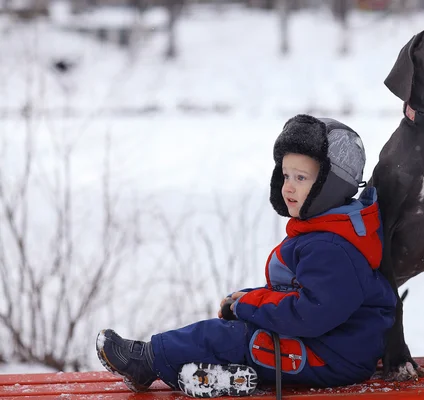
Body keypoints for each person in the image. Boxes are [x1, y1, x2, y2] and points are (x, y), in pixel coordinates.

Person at [96, 114, 397, 398]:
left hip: (331, 355)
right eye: (285, 175)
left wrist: (248, 305)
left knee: (233, 338)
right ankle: (221, 375)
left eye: (301, 178)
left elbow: (310, 314)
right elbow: (296, 293)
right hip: (326, 346)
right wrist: (250, 298)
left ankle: (147, 361)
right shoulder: (327, 232)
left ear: (330, 186)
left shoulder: (333, 247)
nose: (288, 187)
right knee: (237, 334)